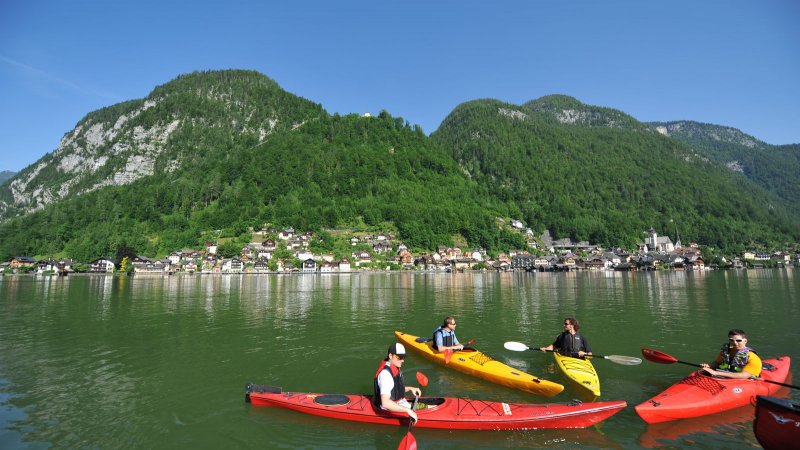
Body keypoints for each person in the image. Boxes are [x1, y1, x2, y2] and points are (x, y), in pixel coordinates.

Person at [374, 343, 422, 422]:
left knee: (429, 405)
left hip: (399, 403)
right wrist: (407, 410)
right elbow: (385, 403)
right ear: (390, 356)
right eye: (399, 357)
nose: (402, 360)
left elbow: (395, 388)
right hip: (388, 409)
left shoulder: (395, 367)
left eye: (403, 357)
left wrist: (410, 388)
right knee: (429, 407)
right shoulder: (385, 374)